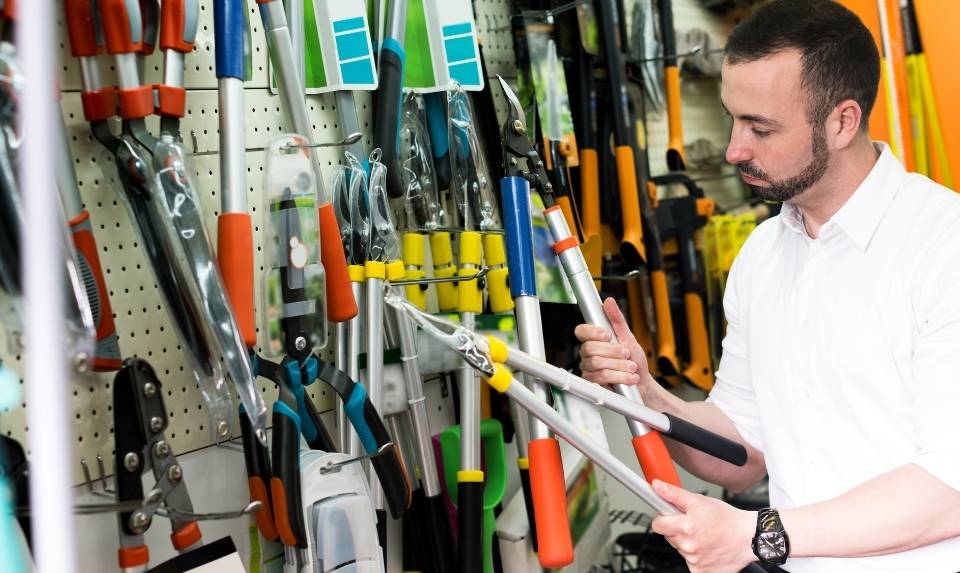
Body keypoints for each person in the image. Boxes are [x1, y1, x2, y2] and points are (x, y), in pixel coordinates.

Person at [574, 1, 960, 571]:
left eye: (761, 128)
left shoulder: (942, 247)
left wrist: (756, 534)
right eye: (733, 119)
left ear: (843, 121)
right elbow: (743, 450)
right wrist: (647, 392)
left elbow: (948, 491)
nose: (734, 149)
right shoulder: (762, 255)